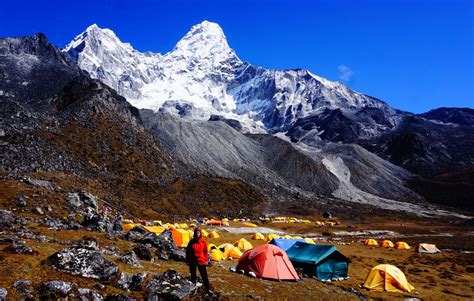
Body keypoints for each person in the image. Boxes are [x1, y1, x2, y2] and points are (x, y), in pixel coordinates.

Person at [186, 227, 212, 294]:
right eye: (196, 233)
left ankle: (208, 289)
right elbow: (188, 251)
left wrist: (206, 260)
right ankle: (193, 290)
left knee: (204, 276)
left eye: (198, 233)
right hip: (192, 261)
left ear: (200, 233)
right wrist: (187, 260)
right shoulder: (191, 242)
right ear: (194, 233)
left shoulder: (203, 242)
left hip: (201, 261)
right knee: (193, 276)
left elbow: (206, 252)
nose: (197, 234)